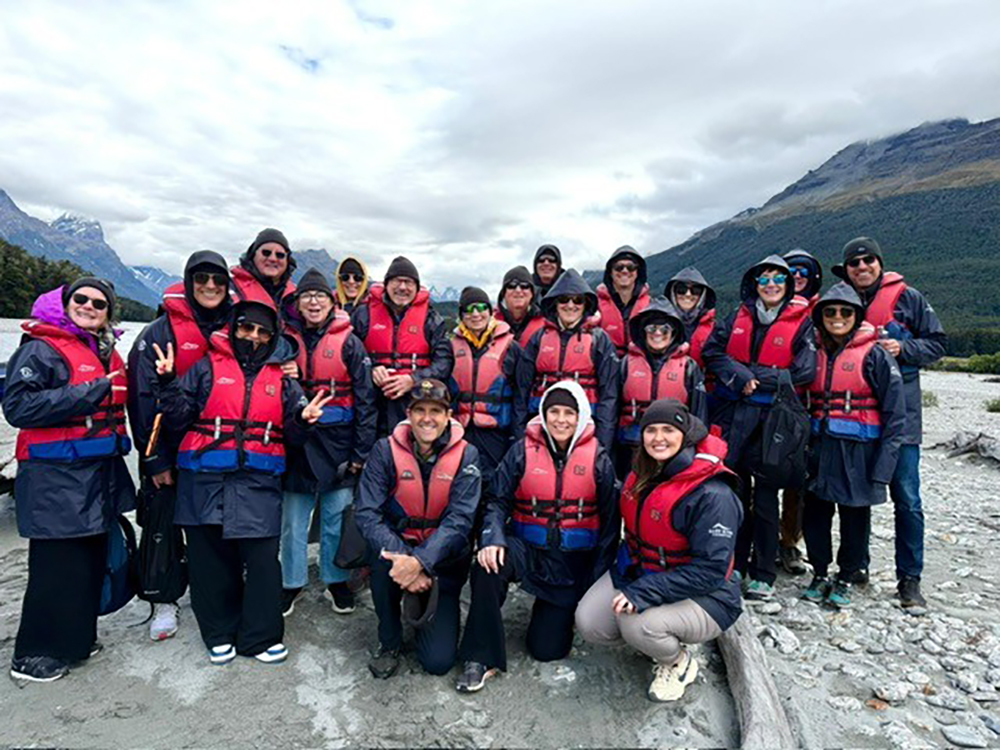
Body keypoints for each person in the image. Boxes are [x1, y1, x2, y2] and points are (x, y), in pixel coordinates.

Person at [156, 300, 328, 665]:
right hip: (204, 478)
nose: (254, 337)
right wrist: (168, 383)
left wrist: (306, 419)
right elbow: (177, 419)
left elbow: (295, 433)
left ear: (273, 337)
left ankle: (259, 636)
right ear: (233, 329)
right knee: (209, 560)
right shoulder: (204, 368)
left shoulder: (283, 379)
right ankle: (218, 631)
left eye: (263, 332)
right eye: (247, 328)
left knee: (264, 560)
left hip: (258, 480)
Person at [5, 279, 135, 682]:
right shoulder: (39, 349)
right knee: (53, 567)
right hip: (54, 477)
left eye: (99, 303)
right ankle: (32, 653)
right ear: (66, 304)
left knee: (86, 562)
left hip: (94, 474)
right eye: (81, 299)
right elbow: (18, 406)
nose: (89, 306)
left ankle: (76, 640)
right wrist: (91, 392)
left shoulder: (102, 350)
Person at [455, 381, 618, 693]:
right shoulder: (521, 450)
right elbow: (496, 499)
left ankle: (558, 613)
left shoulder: (599, 459)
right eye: (553, 411)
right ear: (543, 413)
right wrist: (491, 538)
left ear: (581, 415)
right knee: (487, 566)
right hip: (525, 549)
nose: (560, 419)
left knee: (547, 651)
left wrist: (593, 585)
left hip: (570, 564)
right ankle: (480, 656)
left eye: (568, 413)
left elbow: (610, 527)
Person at [575, 400, 743, 703]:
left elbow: (711, 571)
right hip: (645, 570)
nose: (658, 438)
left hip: (708, 595)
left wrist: (643, 593)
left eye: (668, 430)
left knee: (636, 622)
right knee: (590, 622)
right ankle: (653, 638)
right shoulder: (644, 471)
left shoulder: (713, 494)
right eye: (651, 430)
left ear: (685, 435)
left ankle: (677, 661)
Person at [832, 237, 946, 608]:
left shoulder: (908, 298)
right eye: (854, 263)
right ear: (846, 270)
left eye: (868, 260)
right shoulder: (838, 304)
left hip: (902, 419)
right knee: (854, 496)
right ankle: (854, 567)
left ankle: (909, 579)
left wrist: (905, 348)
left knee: (907, 498)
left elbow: (937, 344)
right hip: (855, 422)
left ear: (880, 263)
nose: (861, 267)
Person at [127, 251, 232, 641]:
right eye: (201, 279)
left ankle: (216, 587)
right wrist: (153, 458)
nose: (209, 287)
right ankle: (163, 600)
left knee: (215, 523)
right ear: (189, 283)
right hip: (167, 444)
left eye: (218, 281)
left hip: (213, 446)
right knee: (161, 523)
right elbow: (139, 398)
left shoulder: (235, 327)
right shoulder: (157, 333)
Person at [703, 255, 816, 601]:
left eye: (778, 279)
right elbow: (712, 351)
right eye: (764, 279)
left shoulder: (803, 322)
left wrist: (756, 375)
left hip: (775, 422)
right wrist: (740, 375)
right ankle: (734, 562)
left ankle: (764, 570)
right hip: (736, 416)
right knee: (735, 495)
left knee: (767, 499)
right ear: (754, 283)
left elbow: (803, 371)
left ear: (788, 285)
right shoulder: (737, 316)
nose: (770, 284)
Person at [355, 380, 481, 679]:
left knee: (437, 663)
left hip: (442, 560)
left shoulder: (467, 455)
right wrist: (405, 561)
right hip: (396, 552)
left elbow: (461, 520)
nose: (427, 418)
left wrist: (421, 562)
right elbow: (367, 513)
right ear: (408, 414)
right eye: (420, 410)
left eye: (436, 411)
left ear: (449, 415)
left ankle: (433, 610)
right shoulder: (384, 450)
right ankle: (389, 640)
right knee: (380, 563)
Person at [801, 283, 905, 609]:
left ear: (856, 316)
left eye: (845, 312)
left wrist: (884, 469)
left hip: (859, 452)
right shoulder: (811, 353)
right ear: (821, 317)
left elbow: (896, 417)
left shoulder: (875, 355)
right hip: (818, 447)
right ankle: (819, 572)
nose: (837, 317)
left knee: (854, 517)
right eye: (830, 312)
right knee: (815, 515)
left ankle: (847, 575)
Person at [279, 269, 377, 616]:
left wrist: (361, 453)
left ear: (332, 301)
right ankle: (290, 582)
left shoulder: (350, 342)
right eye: (307, 296)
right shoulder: (283, 341)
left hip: (339, 443)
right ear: (298, 303)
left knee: (336, 517)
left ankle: (336, 580)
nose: (314, 301)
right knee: (293, 520)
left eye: (320, 295)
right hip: (297, 442)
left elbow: (366, 401)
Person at [351, 256, 453, 436]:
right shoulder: (363, 314)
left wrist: (413, 379)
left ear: (416, 287)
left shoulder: (431, 319)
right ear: (386, 284)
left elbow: (444, 362)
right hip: (371, 404)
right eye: (397, 281)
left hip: (414, 403)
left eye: (408, 282)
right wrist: (371, 368)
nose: (403, 287)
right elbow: (350, 356)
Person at [521, 269, 619, 448]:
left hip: (587, 424)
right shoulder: (538, 338)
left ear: (586, 305)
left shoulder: (599, 339)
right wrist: (519, 433)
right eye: (564, 299)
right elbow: (522, 388)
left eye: (578, 300)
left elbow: (609, 395)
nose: (570, 305)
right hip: (541, 422)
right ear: (555, 304)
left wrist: (604, 441)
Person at [449, 287, 526, 505]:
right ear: (461, 315)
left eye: (481, 307)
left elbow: (521, 397)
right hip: (461, 433)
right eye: (469, 309)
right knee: (461, 492)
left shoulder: (512, 348)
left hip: (496, 435)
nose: (476, 314)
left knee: (493, 493)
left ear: (491, 311)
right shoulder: (452, 346)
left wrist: (517, 438)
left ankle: (489, 536)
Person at [617, 299, 708, 478]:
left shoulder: (689, 367)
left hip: (673, 448)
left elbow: (699, 414)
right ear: (643, 333)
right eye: (651, 328)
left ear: (674, 333)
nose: (657, 333)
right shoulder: (625, 365)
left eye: (664, 328)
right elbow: (613, 407)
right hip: (630, 445)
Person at [776, 248, 824, 575]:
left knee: (799, 482)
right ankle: (760, 539)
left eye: (802, 271)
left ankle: (790, 542)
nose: (796, 275)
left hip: (810, 406)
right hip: (774, 405)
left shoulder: (827, 311)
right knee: (761, 476)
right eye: (789, 270)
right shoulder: (769, 309)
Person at [596, 245, 651, 356]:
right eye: (618, 267)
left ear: (638, 272)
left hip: (640, 364)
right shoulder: (595, 306)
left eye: (630, 267)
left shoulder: (651, 305)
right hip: (605, 363)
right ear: (610, 272)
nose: (625, 271)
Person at [664, 267, 717, 370]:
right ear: (673, 293)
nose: (688, 294)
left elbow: (721, 360)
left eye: (695, 290)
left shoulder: (715, 329)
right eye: (681, 289)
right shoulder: (657, 323)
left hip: (701, 383)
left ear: (702, 295)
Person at [231, 228, 297, 308]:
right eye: (266, 253)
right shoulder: (230, 289)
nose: (273, 259)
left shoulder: (297, 295)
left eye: (280, 255)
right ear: (253, 255)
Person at [495, 265, 545, 346]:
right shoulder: (490, 323)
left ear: (532, 294)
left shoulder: (545, 326)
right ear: (503, 294)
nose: (518, 290)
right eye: (511, 286)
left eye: (524, 286)